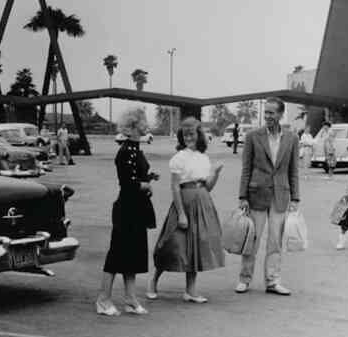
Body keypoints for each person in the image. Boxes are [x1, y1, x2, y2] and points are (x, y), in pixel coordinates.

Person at [148, 118, 225, 303]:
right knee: (172, 245)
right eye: (185, 134)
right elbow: (175, 187)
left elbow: (209, 186)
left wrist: (215, 173)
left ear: (199, 135)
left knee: (196, 247)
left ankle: (190, 291)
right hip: (185, 202)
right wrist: (181, 213)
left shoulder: (203, 158)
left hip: (202, 203)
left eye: (192, 134)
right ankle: (153, 281)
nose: (189, 137)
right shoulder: (179, 158)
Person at [96, 109, 157, 316]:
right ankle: (103, 299)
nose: (146, 125)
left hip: (137, 208)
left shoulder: (135, 149)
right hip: (127, 208)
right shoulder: (125, 152)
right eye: (142, 123)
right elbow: (128, 183)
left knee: (134, 253)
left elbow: (137, 176)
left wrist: (148, 178)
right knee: (117, 254)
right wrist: (145, 185)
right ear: (132, 127)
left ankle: (130, 299)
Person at [235, 97, 299, 296]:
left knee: (275, 241)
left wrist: (296, 197)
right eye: (266, 113)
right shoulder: (253, 136)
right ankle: (244, 279)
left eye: (272, 113)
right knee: (252, 239)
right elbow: (246, 169)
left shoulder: (291, 138)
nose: (268, 116)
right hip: (256, 195)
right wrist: (242, 196)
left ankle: (272, 281)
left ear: (281, 114)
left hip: (280, 195)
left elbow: (293, 170)